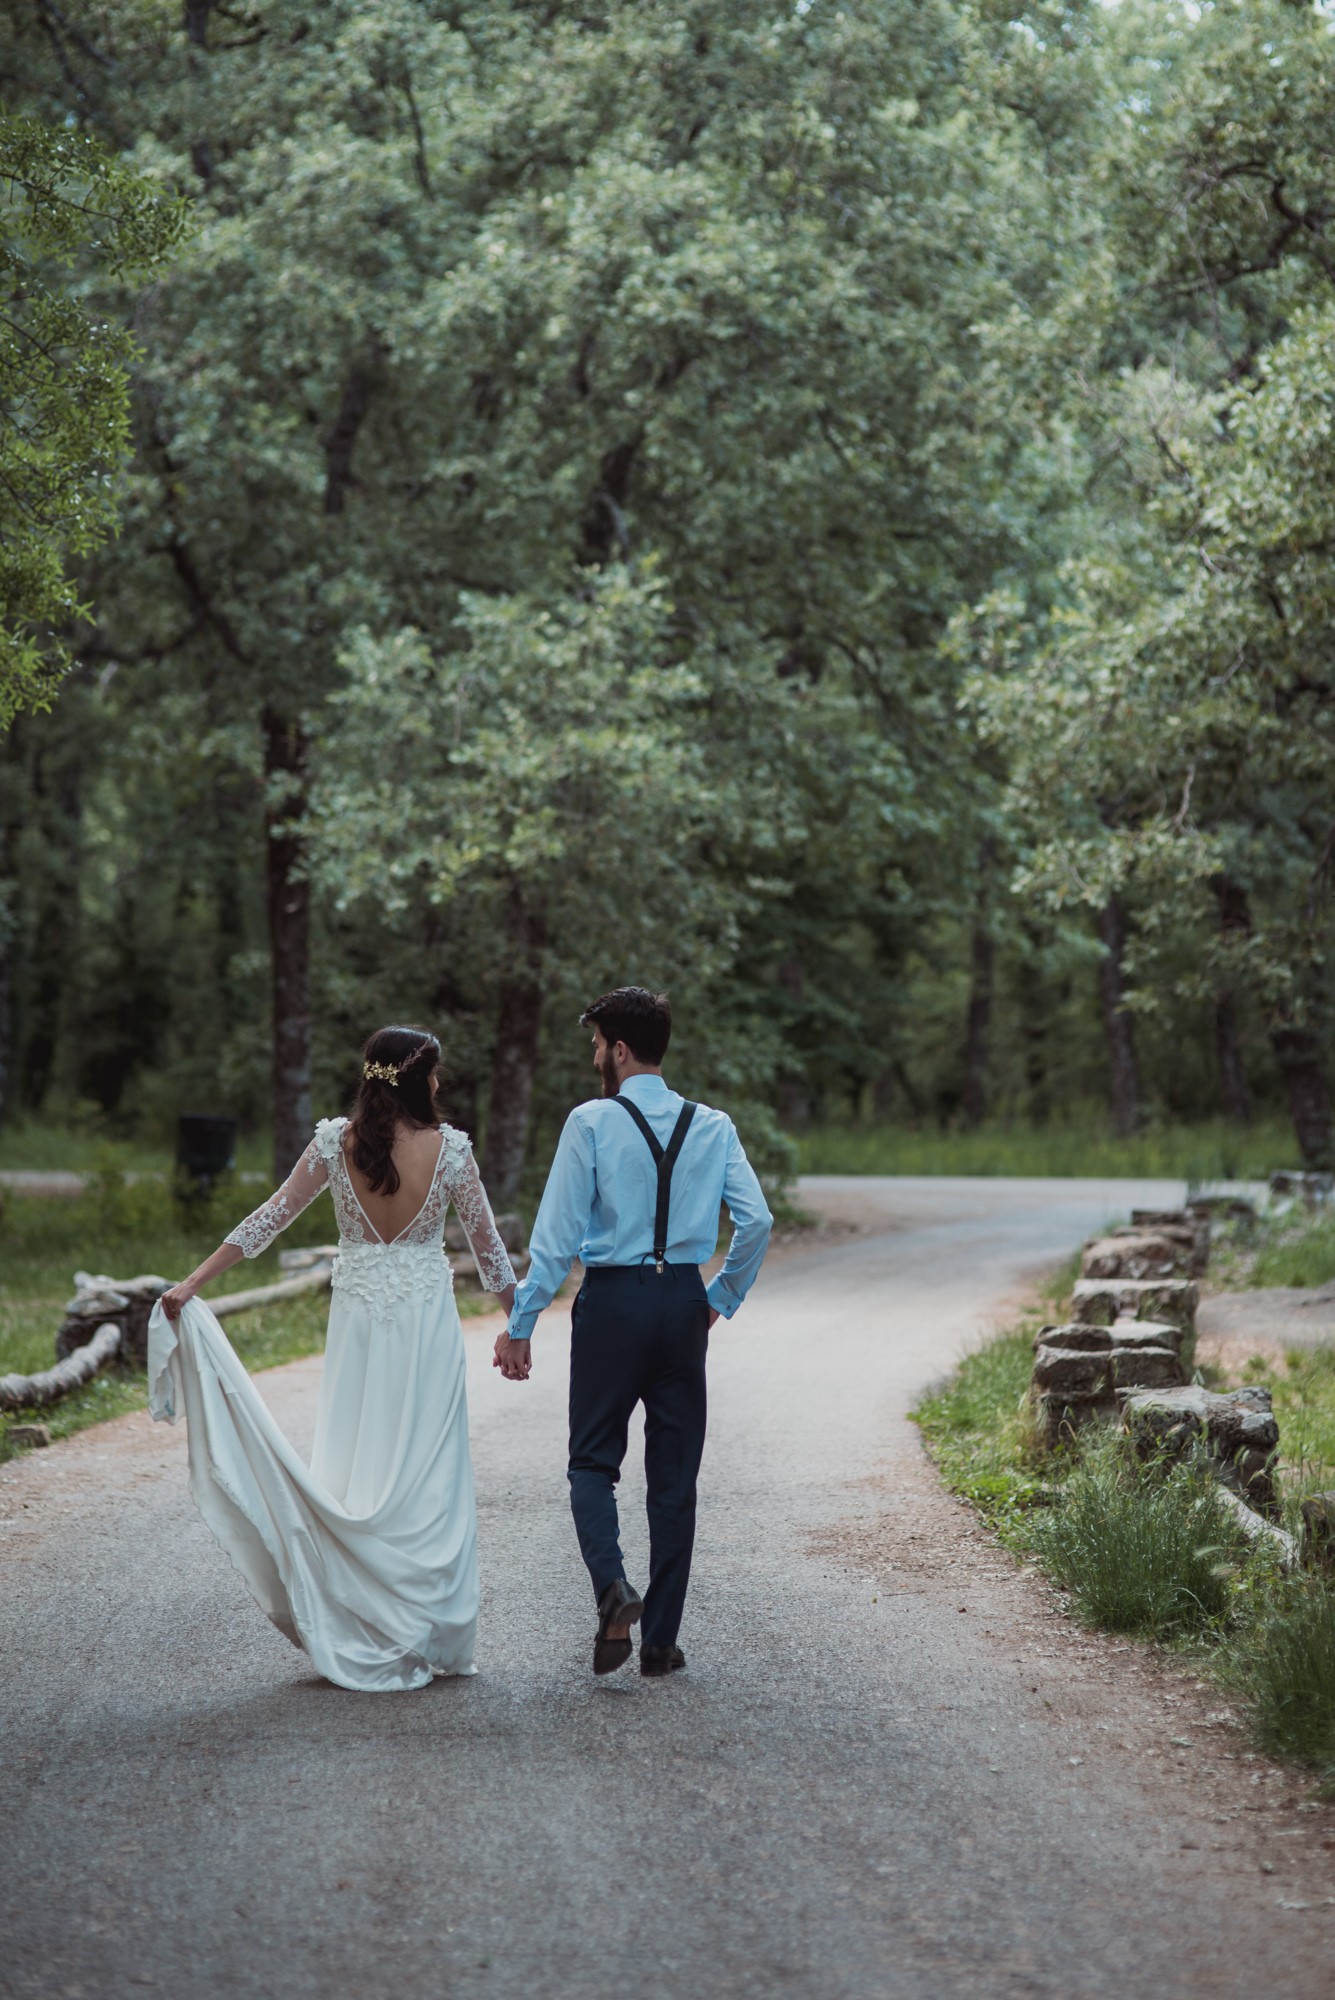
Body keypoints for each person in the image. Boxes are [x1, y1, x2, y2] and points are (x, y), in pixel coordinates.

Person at [152, 1025, 516, 1692]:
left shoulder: (333, 1145)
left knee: (358, 1459)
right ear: (414, 1078)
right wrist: (515, 1327)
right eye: (433, 1073)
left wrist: (192, 1283)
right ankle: (427, 1622)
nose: (438, 1085)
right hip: (424, 1325)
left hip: (357, 1326)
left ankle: (360, 1613)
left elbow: (269, 1219)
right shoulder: (450, 1151)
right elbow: (489, 1250)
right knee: (426, 1472)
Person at [493, 986, 772, 1678]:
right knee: (673, 1479)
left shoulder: (589, 1122)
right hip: (681, 1302)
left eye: (596, 1045)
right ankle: (659, 1643)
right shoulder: (713, 1125)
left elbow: (555, 1241)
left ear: (618, 1049)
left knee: (592, 1462)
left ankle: (614, 1589)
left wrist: (520, 1324)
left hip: (612, 1302)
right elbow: (757, 1222)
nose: (595, 1056)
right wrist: (718, 1296)